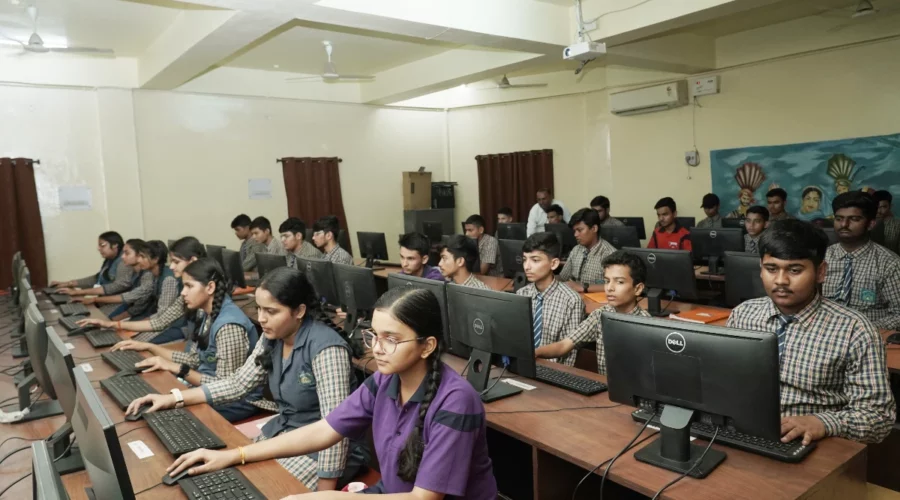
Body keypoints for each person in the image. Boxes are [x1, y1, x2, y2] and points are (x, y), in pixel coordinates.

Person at [165, 286, 496, 497]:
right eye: (374, 335)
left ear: (428, 346)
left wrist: (334, 497)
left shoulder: (456, 402)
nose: (377, 348)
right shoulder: (385, 381)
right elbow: (325, 430)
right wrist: (234, 455)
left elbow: (424, 498)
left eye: (391, 339)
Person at [127, 268, 371, 491]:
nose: (262, 318)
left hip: (322, 453)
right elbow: (238, 384)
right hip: (285, 434)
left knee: (255, 485)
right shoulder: (274, 335)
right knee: (224, 476)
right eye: (260, 309)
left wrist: (325, 492)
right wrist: (174, 398)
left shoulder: (327, 350)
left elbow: (334, 433)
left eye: (271, 311)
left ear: (299, 311)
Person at [726, 219, 895, 445]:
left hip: (813, 443)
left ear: (821, 272)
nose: (781, 281)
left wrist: (823, 423)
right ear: (761, 269)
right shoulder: (743, 315)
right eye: (771, 269)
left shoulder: (855, 330)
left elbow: (878, 418)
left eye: (795, 270)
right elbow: (726, 384)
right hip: (747, 432)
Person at [114, 259, 266, 423]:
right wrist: (151, 348)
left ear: (210, 287)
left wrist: (177, 369)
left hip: (234, 402)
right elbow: (196, 359)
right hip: (206, 389)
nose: (183, 293)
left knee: (160, 418)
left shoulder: (229, 325)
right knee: (153, 399)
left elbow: (225, 387)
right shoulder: (207, 313)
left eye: (189, 286)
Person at [536, 250, 649, 374]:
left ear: (638, 289)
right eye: (607, 281)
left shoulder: (647, 326)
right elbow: (564, 345)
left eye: (620, 282)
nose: (610, 288)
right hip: (604, 384)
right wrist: (535, 352)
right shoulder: (600, 314)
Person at [79, 237, 207, 344]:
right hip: (175, 329)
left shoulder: (169, 279)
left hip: (180, 329)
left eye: (176, 262)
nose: (172, 266)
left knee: (136, 346)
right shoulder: (159, 278)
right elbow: (161, 321)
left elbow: (161, 318)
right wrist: (112, 324)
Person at [822, 192, 900, 330]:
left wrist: (860, 330)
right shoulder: (821, 258)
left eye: (854, 219)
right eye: (839, 218)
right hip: (823, 333)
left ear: (871, 224)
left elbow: (898, 314)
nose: (844, 224)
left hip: (869, 335)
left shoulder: (890, 263)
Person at [516, 233, 584, 366]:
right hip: (522, 363)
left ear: (553, 264)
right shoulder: (522, 293)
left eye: (535, 260)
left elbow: (569, 355)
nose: (527, 266)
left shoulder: (571, 300)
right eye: (524, 259)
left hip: (552, 369)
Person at [68, 239, 153, 319]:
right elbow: (96, 278)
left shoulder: (147, 275)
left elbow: (128, 296)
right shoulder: (135, 273)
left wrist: (90, 298)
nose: (122, 257)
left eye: (127, 253)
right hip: (125, 307)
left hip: (137, 313)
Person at [52, 231, 134, 307]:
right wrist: (68, 283)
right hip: (104, 301)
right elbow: (96, 279)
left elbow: (117, 286)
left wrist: (78, 292)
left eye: (102, 245)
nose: (98, 248)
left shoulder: (123, 261)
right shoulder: (109, 260)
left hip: (118, 304)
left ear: (115, 245)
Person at [558, 208, 616, 292]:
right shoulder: (576, 249)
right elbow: (563, 277)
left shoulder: (609, 254)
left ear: (594, 228)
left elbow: (614, 286)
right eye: (575, 231)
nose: (575, 234)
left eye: (580, 230)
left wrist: (583, 287)